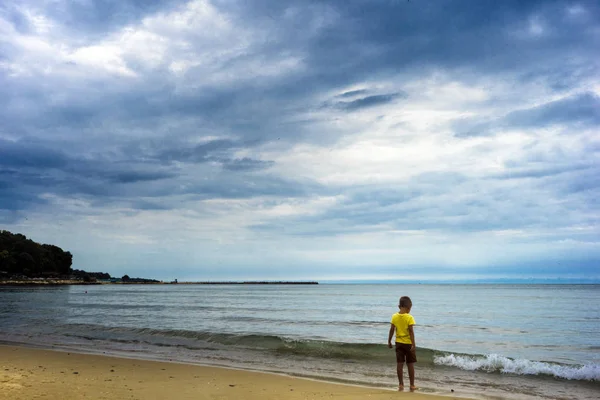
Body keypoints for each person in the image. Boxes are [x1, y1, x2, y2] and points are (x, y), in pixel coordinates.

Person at [387, 296, 417, 391]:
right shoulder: (409, 317)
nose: (410, 310)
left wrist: (389, 341)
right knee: (410, 364)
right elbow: (411, 331)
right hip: (408, 343)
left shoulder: (394, 316)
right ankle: (412, 385)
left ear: (399, 306)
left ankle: (401, 384)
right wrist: (413, 344)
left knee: (399, 364)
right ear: (408, 307)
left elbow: (392, 330)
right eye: (410, 308)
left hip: (398, 343)